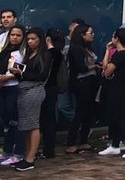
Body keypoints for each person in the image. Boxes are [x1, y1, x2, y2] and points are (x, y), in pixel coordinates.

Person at [8, 27, 52, 171]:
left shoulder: (44, 55)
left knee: (33, 124)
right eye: (29, 39)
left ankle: (30, 158)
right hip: (24, 89)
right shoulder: (29, 53)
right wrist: (18, 72)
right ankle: (27, 156)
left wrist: (22, 71)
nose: (30, 42)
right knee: (26, 125)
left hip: (34, 90)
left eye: (33, 39)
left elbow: (41, 76)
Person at [98, 26, 125, 159]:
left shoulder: (120, 55)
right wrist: (108, 51)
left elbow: (106, 70)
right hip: (120, 88)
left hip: (118, 89)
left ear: (117, 39)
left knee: (118, 117)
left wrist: (107, 52)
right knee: (114, 117)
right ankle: (115, 145)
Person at [65, 23, 100, 154]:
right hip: (81, 82)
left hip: (91, 81)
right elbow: (80, 67)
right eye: (90, 33)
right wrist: (94, 67)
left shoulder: (88, 48)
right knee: (80, 112)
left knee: (89, 112)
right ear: (82, 35)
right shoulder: (76, 49)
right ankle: (71, 142)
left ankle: (84, 140)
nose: (93, 35)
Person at [0, 24, 26, 164]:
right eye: (12, 35)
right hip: (3, 88)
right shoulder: (4, 51)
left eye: (18, 35)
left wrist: (7, 78)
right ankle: (7, 150)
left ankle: (19, 152)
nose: (15, 38)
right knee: (6, 121)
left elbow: (22, 71)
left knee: (16, 120)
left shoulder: (23, 52)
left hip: (15, 88)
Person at [39, 28, 64, 160]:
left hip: (46, 88)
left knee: (45, 120)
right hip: (52, 88)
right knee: (49, 119)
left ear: (48, 39)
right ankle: (49, 148)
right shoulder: (59, 53)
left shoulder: (49, 54)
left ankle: (47, 149)